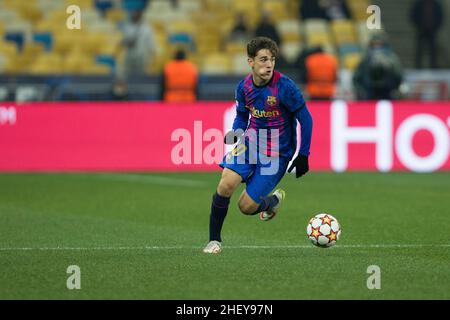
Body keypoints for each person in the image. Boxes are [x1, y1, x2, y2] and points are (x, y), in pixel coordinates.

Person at [203, 37, 313, 254]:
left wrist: (303, 154)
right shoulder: (243, 87)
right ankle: (214, 241)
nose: (269, 64)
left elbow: (306, 119)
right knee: (225, 185)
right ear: (250, 61)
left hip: (277, 154)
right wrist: (235, 133)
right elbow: (242, 116)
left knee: (246, 207)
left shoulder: (285, 87)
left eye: (272, 59)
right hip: (250, 144)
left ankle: (271, 202)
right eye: (263, 59)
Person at [353, 33, 403, 100]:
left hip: (387, 91)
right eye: (375, 44)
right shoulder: (365, 59)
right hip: (369, 91)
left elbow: (399, 76)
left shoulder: (392, 59)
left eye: (379, 44)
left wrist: (389, 67)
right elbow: (357, 78)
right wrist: (361, 91)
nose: (377, 47)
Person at [119, 9, 155, 78]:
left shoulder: (146, 28)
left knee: (141, 73)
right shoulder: (128, 27)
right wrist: (126, 43)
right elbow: (124, 40)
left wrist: (152, 52)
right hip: (130, 53)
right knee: (127, 73)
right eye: (134, 15)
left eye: (136, 15)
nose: (134, 16)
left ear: (140, 16)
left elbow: (150, 41)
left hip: (141, 54)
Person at [410, 0, 443, 69]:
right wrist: (419, 26)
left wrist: (435, 27)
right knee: (419, 51)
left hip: (432, 31)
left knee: (433, 52)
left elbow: (440, 16)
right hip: (421, 30)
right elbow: (413, 15)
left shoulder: (436, 4)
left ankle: (434, 67)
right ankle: (418, 67)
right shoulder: (419, 4)